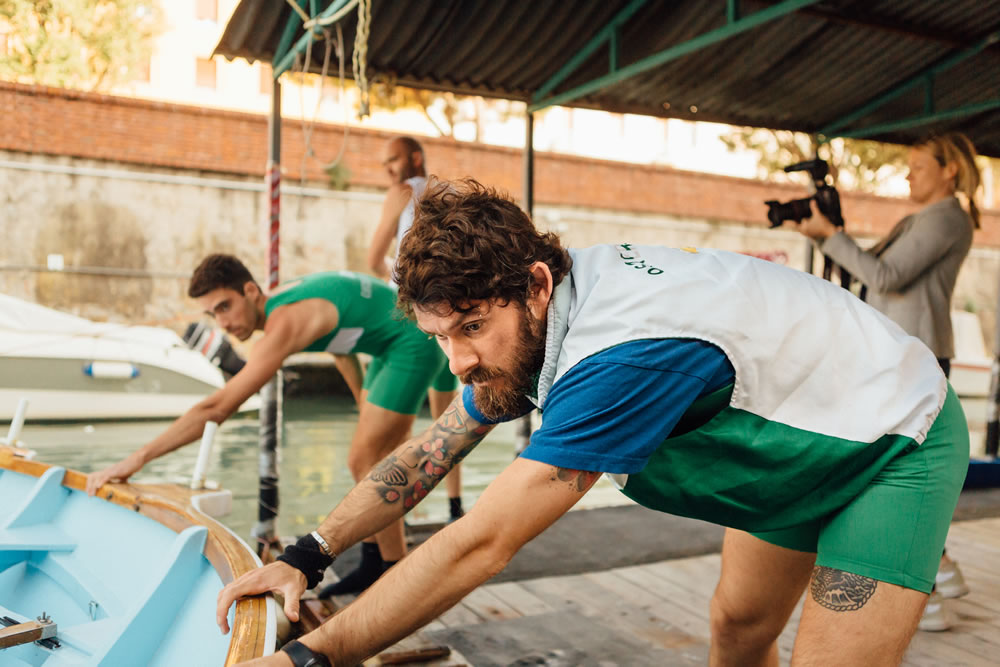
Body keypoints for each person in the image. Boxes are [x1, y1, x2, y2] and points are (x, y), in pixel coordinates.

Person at [218, 180, 968, 667]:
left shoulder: (619, 357)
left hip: (889, 438)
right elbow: (432, 447)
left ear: (535, 285)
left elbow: (482, 543)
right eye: (441, 337)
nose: (458, 362)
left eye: (471, 328)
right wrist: (309, 554)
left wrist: (309, 657)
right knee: (738, 628)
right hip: (796, 429)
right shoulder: (536, 323)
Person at [86, 254, 458, 596]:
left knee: (366, 461)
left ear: (250, 291)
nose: (224, 323)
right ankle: (373, 563)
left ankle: (394, 579)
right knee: (370, 457)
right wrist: (363, 398)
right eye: (212, 315)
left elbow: (216, 408)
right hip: (387, 339)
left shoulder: (283, 325)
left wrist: (137, 459)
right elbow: (341, 342)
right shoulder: (289, 306)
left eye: (225, 307)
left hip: (410, 338)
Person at [793, 132, 982, 631]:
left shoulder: (946, 217)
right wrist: (824, 233)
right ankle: (940, 571)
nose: (908, 173)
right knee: (900, 460)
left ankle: (928, 589)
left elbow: (887, 275)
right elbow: (872, 268)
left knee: (899, 465)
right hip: (904, 350)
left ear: (950, 171)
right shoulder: (925, 218)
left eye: (919, 165)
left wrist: (832, 238)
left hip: (914, 354)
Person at [364, 135, 465, 522]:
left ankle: (396, 514)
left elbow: (374, 259)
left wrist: (402, 281)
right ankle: (455, 509)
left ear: (415, 158)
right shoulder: (449, 191)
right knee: (450, 424)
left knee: (397, 426)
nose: (388, 170)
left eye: (393, 160)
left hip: (411, 318)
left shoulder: (402, 192)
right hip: (448, 316)